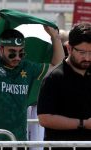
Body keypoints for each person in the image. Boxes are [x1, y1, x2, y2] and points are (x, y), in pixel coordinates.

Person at [0, 14, 64, 150]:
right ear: (1, 49)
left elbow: (58, 65)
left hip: (18, 140)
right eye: (12, 52)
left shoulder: (28, 67)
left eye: (21, 53)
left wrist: (55, 37)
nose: (17, 57)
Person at [37, 22, 91, 150]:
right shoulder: (54, 78)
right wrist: (82, 124)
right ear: (69, 48)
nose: (87, 58)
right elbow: (44, 118)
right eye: (82, 52)